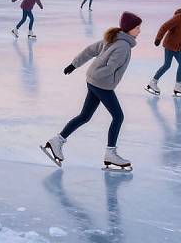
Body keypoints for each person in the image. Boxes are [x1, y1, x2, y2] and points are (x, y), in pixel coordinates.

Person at [41, 11, 142, 171]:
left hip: (92, 81)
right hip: (102, 84)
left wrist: (74, 65)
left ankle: (57, 141)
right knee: (118, 116)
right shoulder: (123, 45)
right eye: (137, 27)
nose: (139, 31)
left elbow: (90, 50)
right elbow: (110, 67)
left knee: (85, 116)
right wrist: (103, 77)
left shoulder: (113, 37)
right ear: (129, 29)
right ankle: (110, 153)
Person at [145, 0, 181, 98]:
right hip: (170, 45)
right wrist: (158, 39)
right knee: (167, 65)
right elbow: (165, 26)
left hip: (177, 47)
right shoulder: (180, 17)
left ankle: (178, 86)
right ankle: (153, 82)